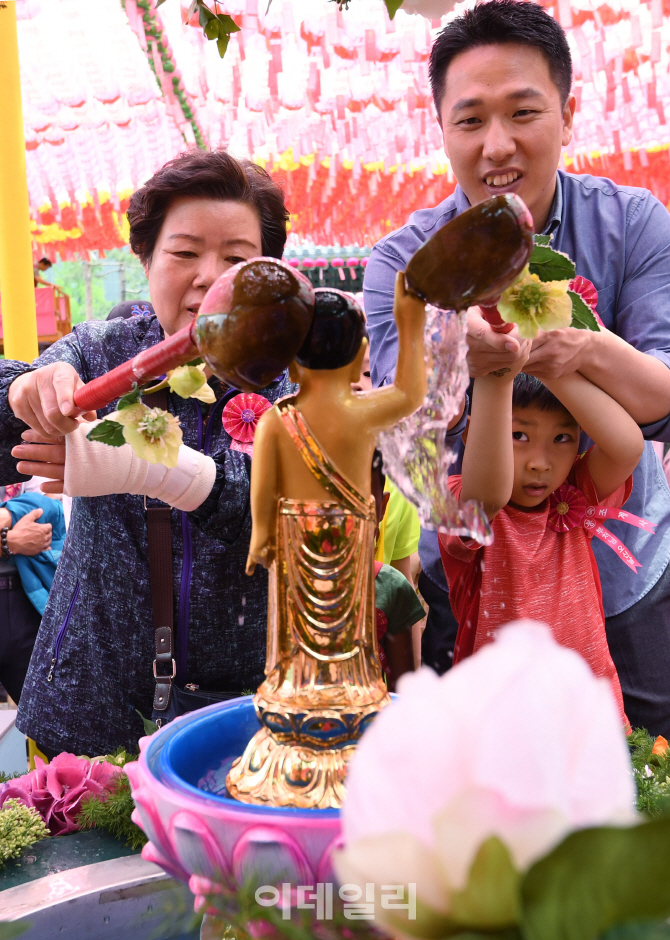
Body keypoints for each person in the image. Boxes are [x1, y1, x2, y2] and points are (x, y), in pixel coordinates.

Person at [364, 0, 670, 736]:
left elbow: (660, 397)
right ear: (441, 130)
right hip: (471, 588)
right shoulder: (403, 264)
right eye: (470, 121)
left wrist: (584, 346)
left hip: (625, 578)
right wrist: (451, 357)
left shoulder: (634, 223)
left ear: (568, 115)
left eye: (523, 113)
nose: (496, 146)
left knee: (642, 793)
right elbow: (403, 437)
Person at [0, 149, 292, 757]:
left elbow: (286, 509)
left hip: (243, 715)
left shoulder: (290, 380)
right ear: (146, 258)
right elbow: (32, 403)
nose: (209, 277)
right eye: (184, 252)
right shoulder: (101, 349)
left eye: (237, 259)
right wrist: (22, 394)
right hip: (86, 702)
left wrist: (158, 469)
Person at [440, 356, 644, 718]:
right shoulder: (464, 502)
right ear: (475, 433)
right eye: (519, 435)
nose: (540, 462)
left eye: (562, 438)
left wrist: (548, 361)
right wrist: (498, 365)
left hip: (589, 717)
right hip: (501, 726)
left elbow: (627, 446)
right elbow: (486, 496)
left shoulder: (575, 489)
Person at [0, 481, 63, 704]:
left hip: (27, 598)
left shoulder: (22, 450)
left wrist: (6, 514)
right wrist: (8, 541)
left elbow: (51, 509)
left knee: (53, 718)